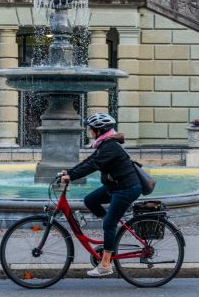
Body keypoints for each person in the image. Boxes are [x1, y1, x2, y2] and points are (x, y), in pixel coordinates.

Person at [60, 112, 141, 277]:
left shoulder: (110, 146)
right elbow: (90, 161)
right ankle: (111, 226)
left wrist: (71, 176)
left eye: (91, 129)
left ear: (99, 130)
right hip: (116, 186)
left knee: (109, 225)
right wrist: (69, 172)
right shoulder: (105, 144)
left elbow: (94, 165)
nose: (89, 132)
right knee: (90, 200)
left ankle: (105, 265)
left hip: (126, 188)